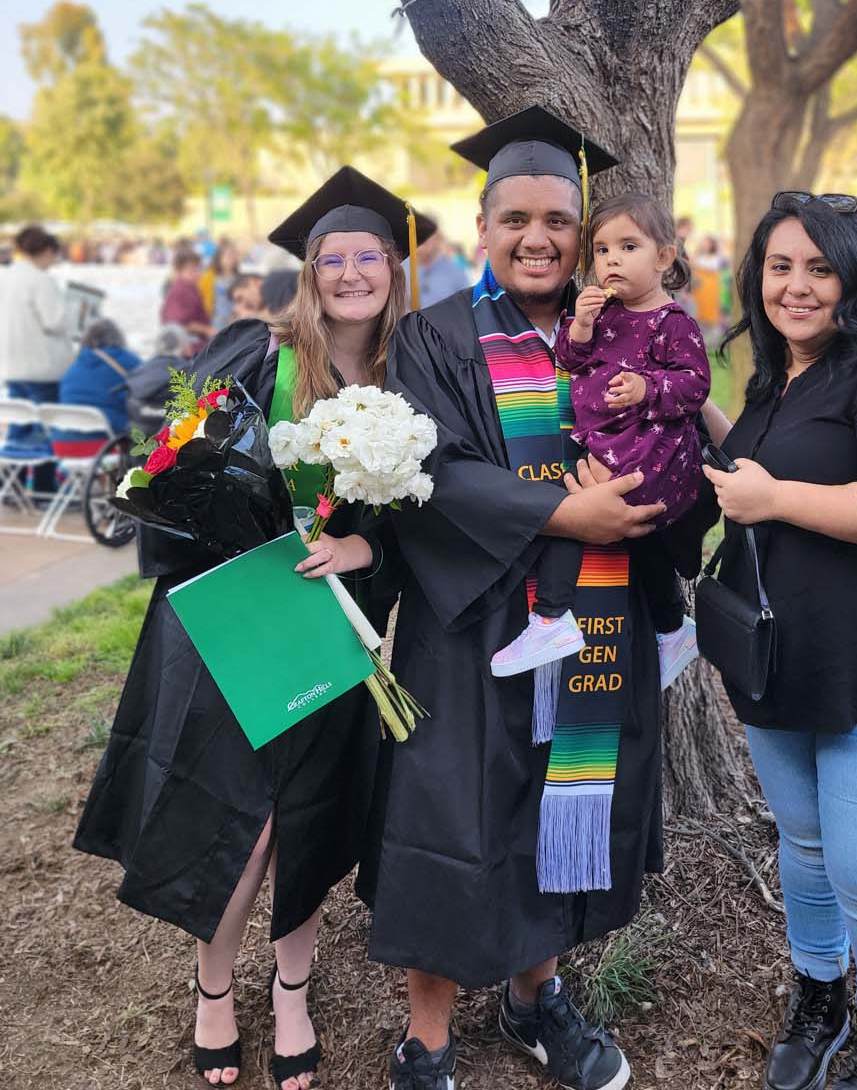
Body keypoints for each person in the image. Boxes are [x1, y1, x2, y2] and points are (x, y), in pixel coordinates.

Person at [346, 106, 689, 1090]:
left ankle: (537, 997)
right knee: (455, 815)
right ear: (485, 226)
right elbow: (432, 475)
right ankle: (427, 1036)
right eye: (516, 219)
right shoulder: (434, 336)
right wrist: (562, 517)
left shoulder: (630, 336)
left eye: (557, 219)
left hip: (596, 618)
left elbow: (670, 451)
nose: (537, 238)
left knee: (562, 804)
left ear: (583, 232)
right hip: (474, 625)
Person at [74, 167, 433, 1090]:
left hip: (337, 623)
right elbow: (168, 469)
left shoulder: (419, 371)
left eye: (369, 256)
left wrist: (363, 556)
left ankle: (293, 988)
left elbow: (429, 521)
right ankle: (213, 987)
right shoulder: (257, 354)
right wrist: (252, 523)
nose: (351, 273)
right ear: (309, 271)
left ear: (395, 267)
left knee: (304, 819)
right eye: (332, 258)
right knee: (238, 817)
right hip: (240, 618)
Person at [699, 191, 857, 1090]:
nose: (797, 286)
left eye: (819, 267)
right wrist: (694, 412)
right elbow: (758, 471)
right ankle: (821, 995)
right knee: (803, 848)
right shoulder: (779, 376)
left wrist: (772, 500)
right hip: (778, 658)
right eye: (780, 266)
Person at [490, 192, 707, 691]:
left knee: (577, 510)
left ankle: (550, 618)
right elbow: (570, 358)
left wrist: (647, 387)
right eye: (603, 250)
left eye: (628, 247)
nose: (612, 260)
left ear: (665, 257)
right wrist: (582, 324)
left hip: (650, 450)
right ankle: (674, 627)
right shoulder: (606, 313)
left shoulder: (672, 322)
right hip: (615, 442)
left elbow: (695, 384)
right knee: (642, 540)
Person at [0, 223, 75, 498]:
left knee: (19, 428)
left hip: (12, 364)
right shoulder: (41, 280)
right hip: (43, 367)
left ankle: (13, 486)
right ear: (45, 251)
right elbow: (54, 321)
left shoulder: (6, 276)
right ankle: (44, 488)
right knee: (46, 428)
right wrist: (72, 309)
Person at [58, 318, 141, 434]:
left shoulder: (74, 366)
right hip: (106, 441)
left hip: (65, 440)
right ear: (118, 337)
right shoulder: (129, 361)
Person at [125, 323, 193, 429]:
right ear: (184, 346)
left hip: (137, 426)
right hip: (167, 429)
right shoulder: (186, 369)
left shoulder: (142, 368)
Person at [161, 245, 213, 352]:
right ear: (178, 271)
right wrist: (207, 330)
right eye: (191, 271)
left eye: (198, 269)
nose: (197, 274)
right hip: (187, 346)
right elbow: (177, 324)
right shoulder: (179, 291)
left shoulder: (192, 289)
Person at [411, 222, 472, 308]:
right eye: (417, 234)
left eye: (426, 234)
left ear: (438, 238)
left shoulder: (456, 274)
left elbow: (467, 310)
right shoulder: (401, 269)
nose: (421, 239)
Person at [211, 240, 244, 328]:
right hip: (221, 322)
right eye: (227, 255)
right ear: (219, 259)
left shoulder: (240, 279)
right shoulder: (215, 279)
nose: (230, 258)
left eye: (233, 255)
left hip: (238, 319)